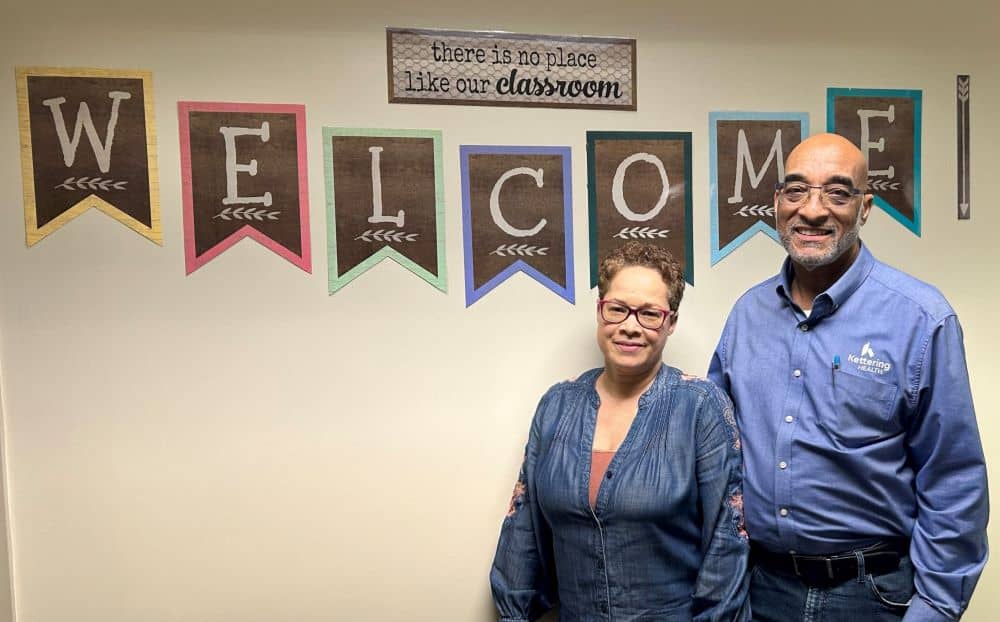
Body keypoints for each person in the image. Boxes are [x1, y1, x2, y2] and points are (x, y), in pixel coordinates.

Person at [708, 133, 988, 621]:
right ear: (777, 203)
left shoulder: (921, 319)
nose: (812, 210)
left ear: (865, 208)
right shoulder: (747, 315)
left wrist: (935, 610)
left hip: (873, 597)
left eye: (837, 193)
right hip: (760, 591)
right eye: (795, 191)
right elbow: (715, 454)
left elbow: (954, 478)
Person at [490, 241, 750, 621]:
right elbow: (523, 533)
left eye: (649, 314)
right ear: (600, 312)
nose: (630, 326)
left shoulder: (701, 407)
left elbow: (726, 546)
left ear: (671, 322)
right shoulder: (556, 406)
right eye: (618, 310)